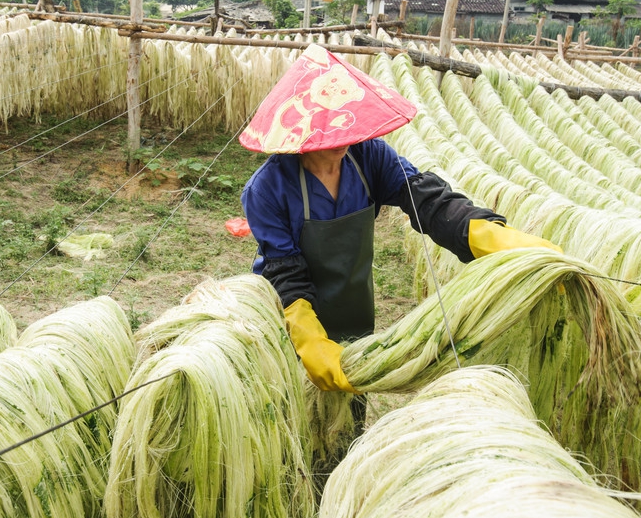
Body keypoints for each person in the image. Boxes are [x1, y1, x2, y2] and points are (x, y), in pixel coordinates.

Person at [239, 44, 560, 395]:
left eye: (345, 123)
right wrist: (307, 337)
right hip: (292, 313)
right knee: (293, 399)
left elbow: (426, 200)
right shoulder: (266, 189)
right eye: (327, 129)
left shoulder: (369, 157)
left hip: (353, 301)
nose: (341, 139)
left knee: (351, 394)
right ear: (298, 125)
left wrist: (482, 232)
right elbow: (284, 270)